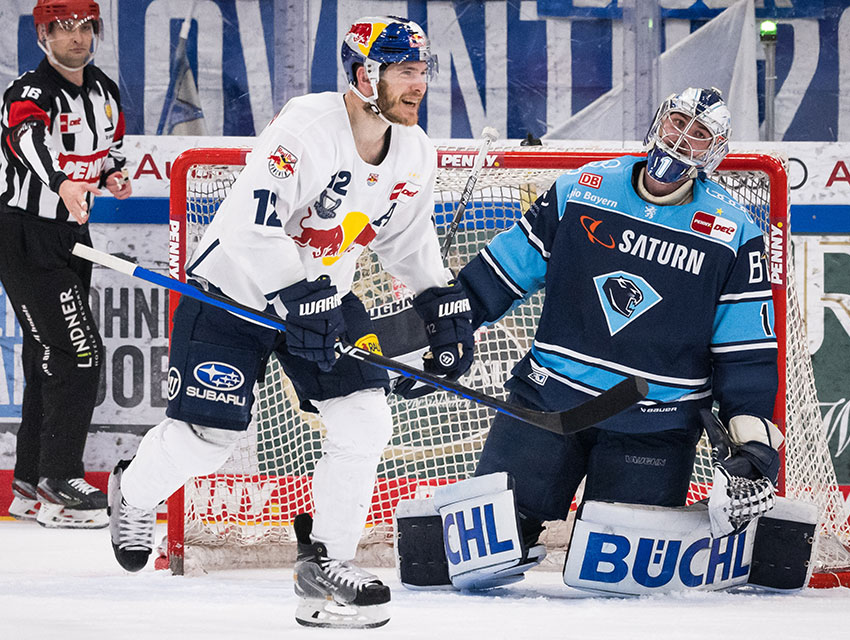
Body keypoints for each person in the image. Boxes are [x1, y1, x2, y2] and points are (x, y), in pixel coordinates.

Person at [107, 16, 474, 629]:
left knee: (365, 417)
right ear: (363, 75)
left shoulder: (416, 151)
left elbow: (407, 244)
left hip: (323, 298)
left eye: (421, 72)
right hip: (237, 292)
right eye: (404, 72)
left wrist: (442, 303)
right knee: (206, 442)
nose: (418, 86)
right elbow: (252, 227)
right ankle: (133, 493)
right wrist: (294, 295)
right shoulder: (306, 124)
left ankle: (325, 567)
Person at [443, 87, 782, 587]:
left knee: (617, 580)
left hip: (656, 422)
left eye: (700, 133)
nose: (683, 138)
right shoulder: (581, 187)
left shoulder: (734, 231)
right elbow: (505, 271)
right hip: (548, 401)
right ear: (659, 121)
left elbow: (745, 353)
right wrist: (448, 325)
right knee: (474, 558)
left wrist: (754, 444)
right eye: (678, 122)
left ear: (715, 150)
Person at [0, 0, 131, 529]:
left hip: (72, 234)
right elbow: (23, 138)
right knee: (79, 353)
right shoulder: (29, 90)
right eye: (63, 28)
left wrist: (112, 178)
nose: (76, 37)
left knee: (47, 359)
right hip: (24, 234)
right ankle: (60, 480)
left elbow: (111, 150)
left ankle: (30, 485)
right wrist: (62, 182)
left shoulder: (103, 90)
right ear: (42, 36)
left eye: (84, 27)